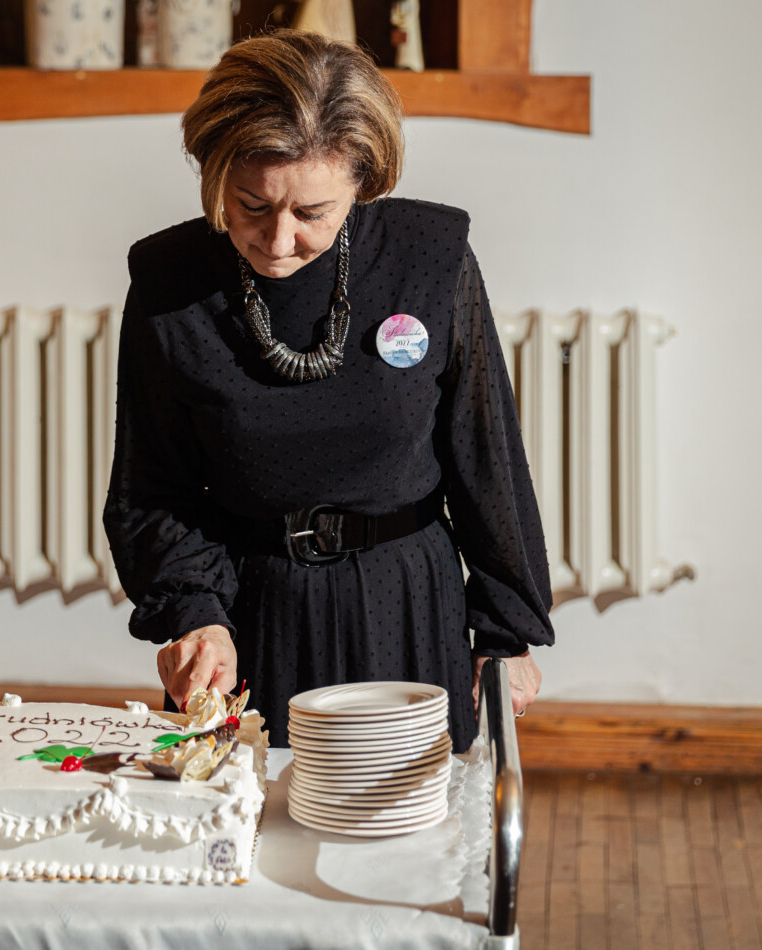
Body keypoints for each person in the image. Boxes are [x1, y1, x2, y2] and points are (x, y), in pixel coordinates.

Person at [102, 30, 554, 752]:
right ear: (215, 170)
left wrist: (506, 632)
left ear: (363, 183)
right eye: (250, 204)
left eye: (311, 213)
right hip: (249, 615)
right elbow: (151, 486)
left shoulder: (429, 257)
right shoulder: (168, 280)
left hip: (409, 603)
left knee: (411, 814)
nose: (278, 240)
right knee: (250, 817)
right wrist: (195, 615)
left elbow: (484, 455)